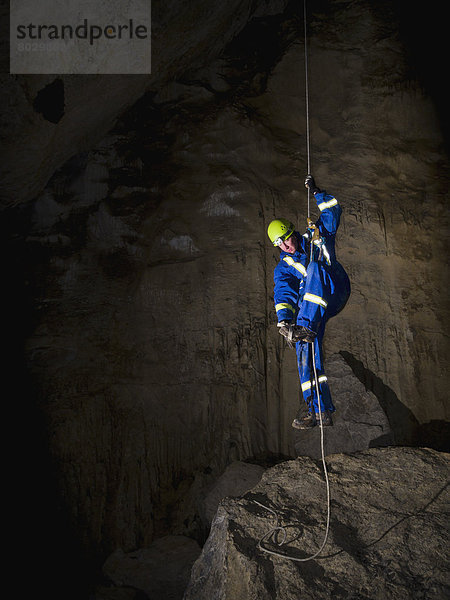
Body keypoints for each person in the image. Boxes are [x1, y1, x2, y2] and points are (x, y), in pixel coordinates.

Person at [267, 175, 350, 429]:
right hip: (315, 309)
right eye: (279, 244)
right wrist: (284, 322)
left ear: (293, 232)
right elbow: (283, 293)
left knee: (314, 268)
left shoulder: (317, 237)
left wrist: (317, 193)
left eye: (286, 239)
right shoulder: (283, 267)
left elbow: (333, 210)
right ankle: (318, 410)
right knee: (304, 345)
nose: (285, 246)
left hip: (334, 288)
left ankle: (307, 326)